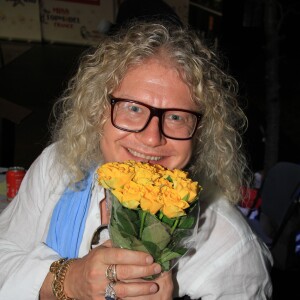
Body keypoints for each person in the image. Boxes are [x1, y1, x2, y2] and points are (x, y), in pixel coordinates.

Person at [0, 20, 273, 299]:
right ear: (98, 110)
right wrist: (68, 280)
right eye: (132, 108)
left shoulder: (230, 249)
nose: (152, 138)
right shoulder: (60, 167)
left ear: (201, 133)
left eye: (177, 117)